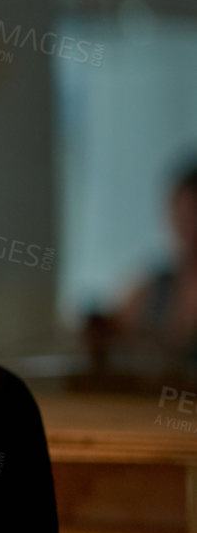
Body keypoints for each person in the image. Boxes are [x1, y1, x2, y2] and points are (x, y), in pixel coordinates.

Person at [90, 161, 197, 376]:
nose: (188, 226)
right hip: (153, 404)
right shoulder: (154, 288)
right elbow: (110, 328)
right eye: (182, 216)